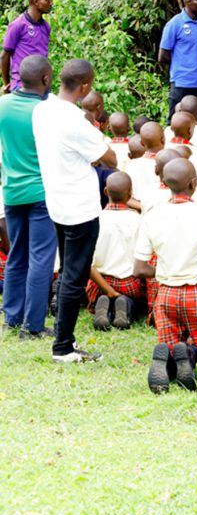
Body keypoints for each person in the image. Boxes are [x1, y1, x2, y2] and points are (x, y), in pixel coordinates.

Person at [32, 59, 117, 362]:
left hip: (57, 200)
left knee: (69, 270)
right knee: (74, 275)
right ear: (85, 86)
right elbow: (110, 158)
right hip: (80, 207)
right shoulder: (75, 121)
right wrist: (96, 150)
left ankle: (63, 336)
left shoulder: (43, 110)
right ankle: (63, 347)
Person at [134, 158, 197, 393]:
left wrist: (165, 271)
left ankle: (172, 361)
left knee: (172, 348)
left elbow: (139, 268)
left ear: (164, 182)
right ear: (194, 184)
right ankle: (193, 353)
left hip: (165, 297)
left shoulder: (151, 216)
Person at [0, 55, 57, 339]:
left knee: (16, 254)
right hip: (41, 192)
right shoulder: (49, 111)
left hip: (11, 191)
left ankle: (11, 317)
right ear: (45, 79)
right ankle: (33, 326)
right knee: (41, 258)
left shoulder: (3, 105)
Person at [87, 172, 145, 330]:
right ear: (130, 194)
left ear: (106, 192)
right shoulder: (139, 221)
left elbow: (87, 265)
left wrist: (109, 290)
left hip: (101, 282)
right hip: (130, 283)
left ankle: (105, 302)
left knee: (99, 292)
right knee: (135, 300)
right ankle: (126, 305)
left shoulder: (95, 220)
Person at [2, 0, 52, 93]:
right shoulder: (17, 25)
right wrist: (7, 84)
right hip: (21, 86)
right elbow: (5, 55)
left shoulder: (46, 27)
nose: (51, 3)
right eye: (47, 0)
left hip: (42, 86)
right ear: (36, 2)